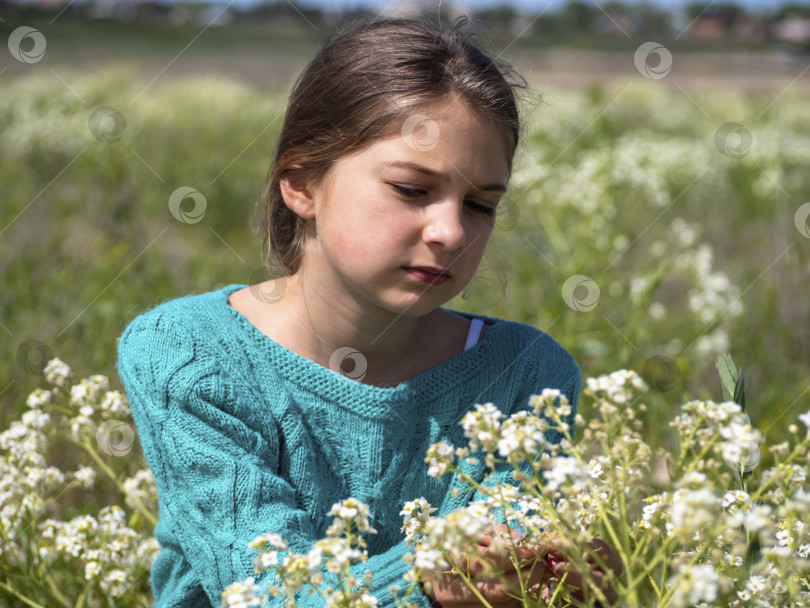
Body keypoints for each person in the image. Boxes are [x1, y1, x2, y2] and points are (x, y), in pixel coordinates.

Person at [116, 14, 621, 608]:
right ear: (301, 183)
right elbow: (266, 594)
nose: (451, 230)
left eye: (481, 204)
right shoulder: (188, 353)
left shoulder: (527, 374)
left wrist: (566, 576)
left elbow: (517, 577)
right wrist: (437, 570)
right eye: (412, 189)